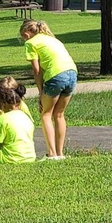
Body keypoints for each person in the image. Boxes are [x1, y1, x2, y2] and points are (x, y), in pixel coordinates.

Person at [19, 19, 76, 160]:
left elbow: (37, 70)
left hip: (56, 75)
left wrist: (40, 92)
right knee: (59, 114)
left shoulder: (30, 43)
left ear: (26, 34)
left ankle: (51, 154)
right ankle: (60, 154)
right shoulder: (52, 39)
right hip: (72, 73)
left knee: (46, 114)